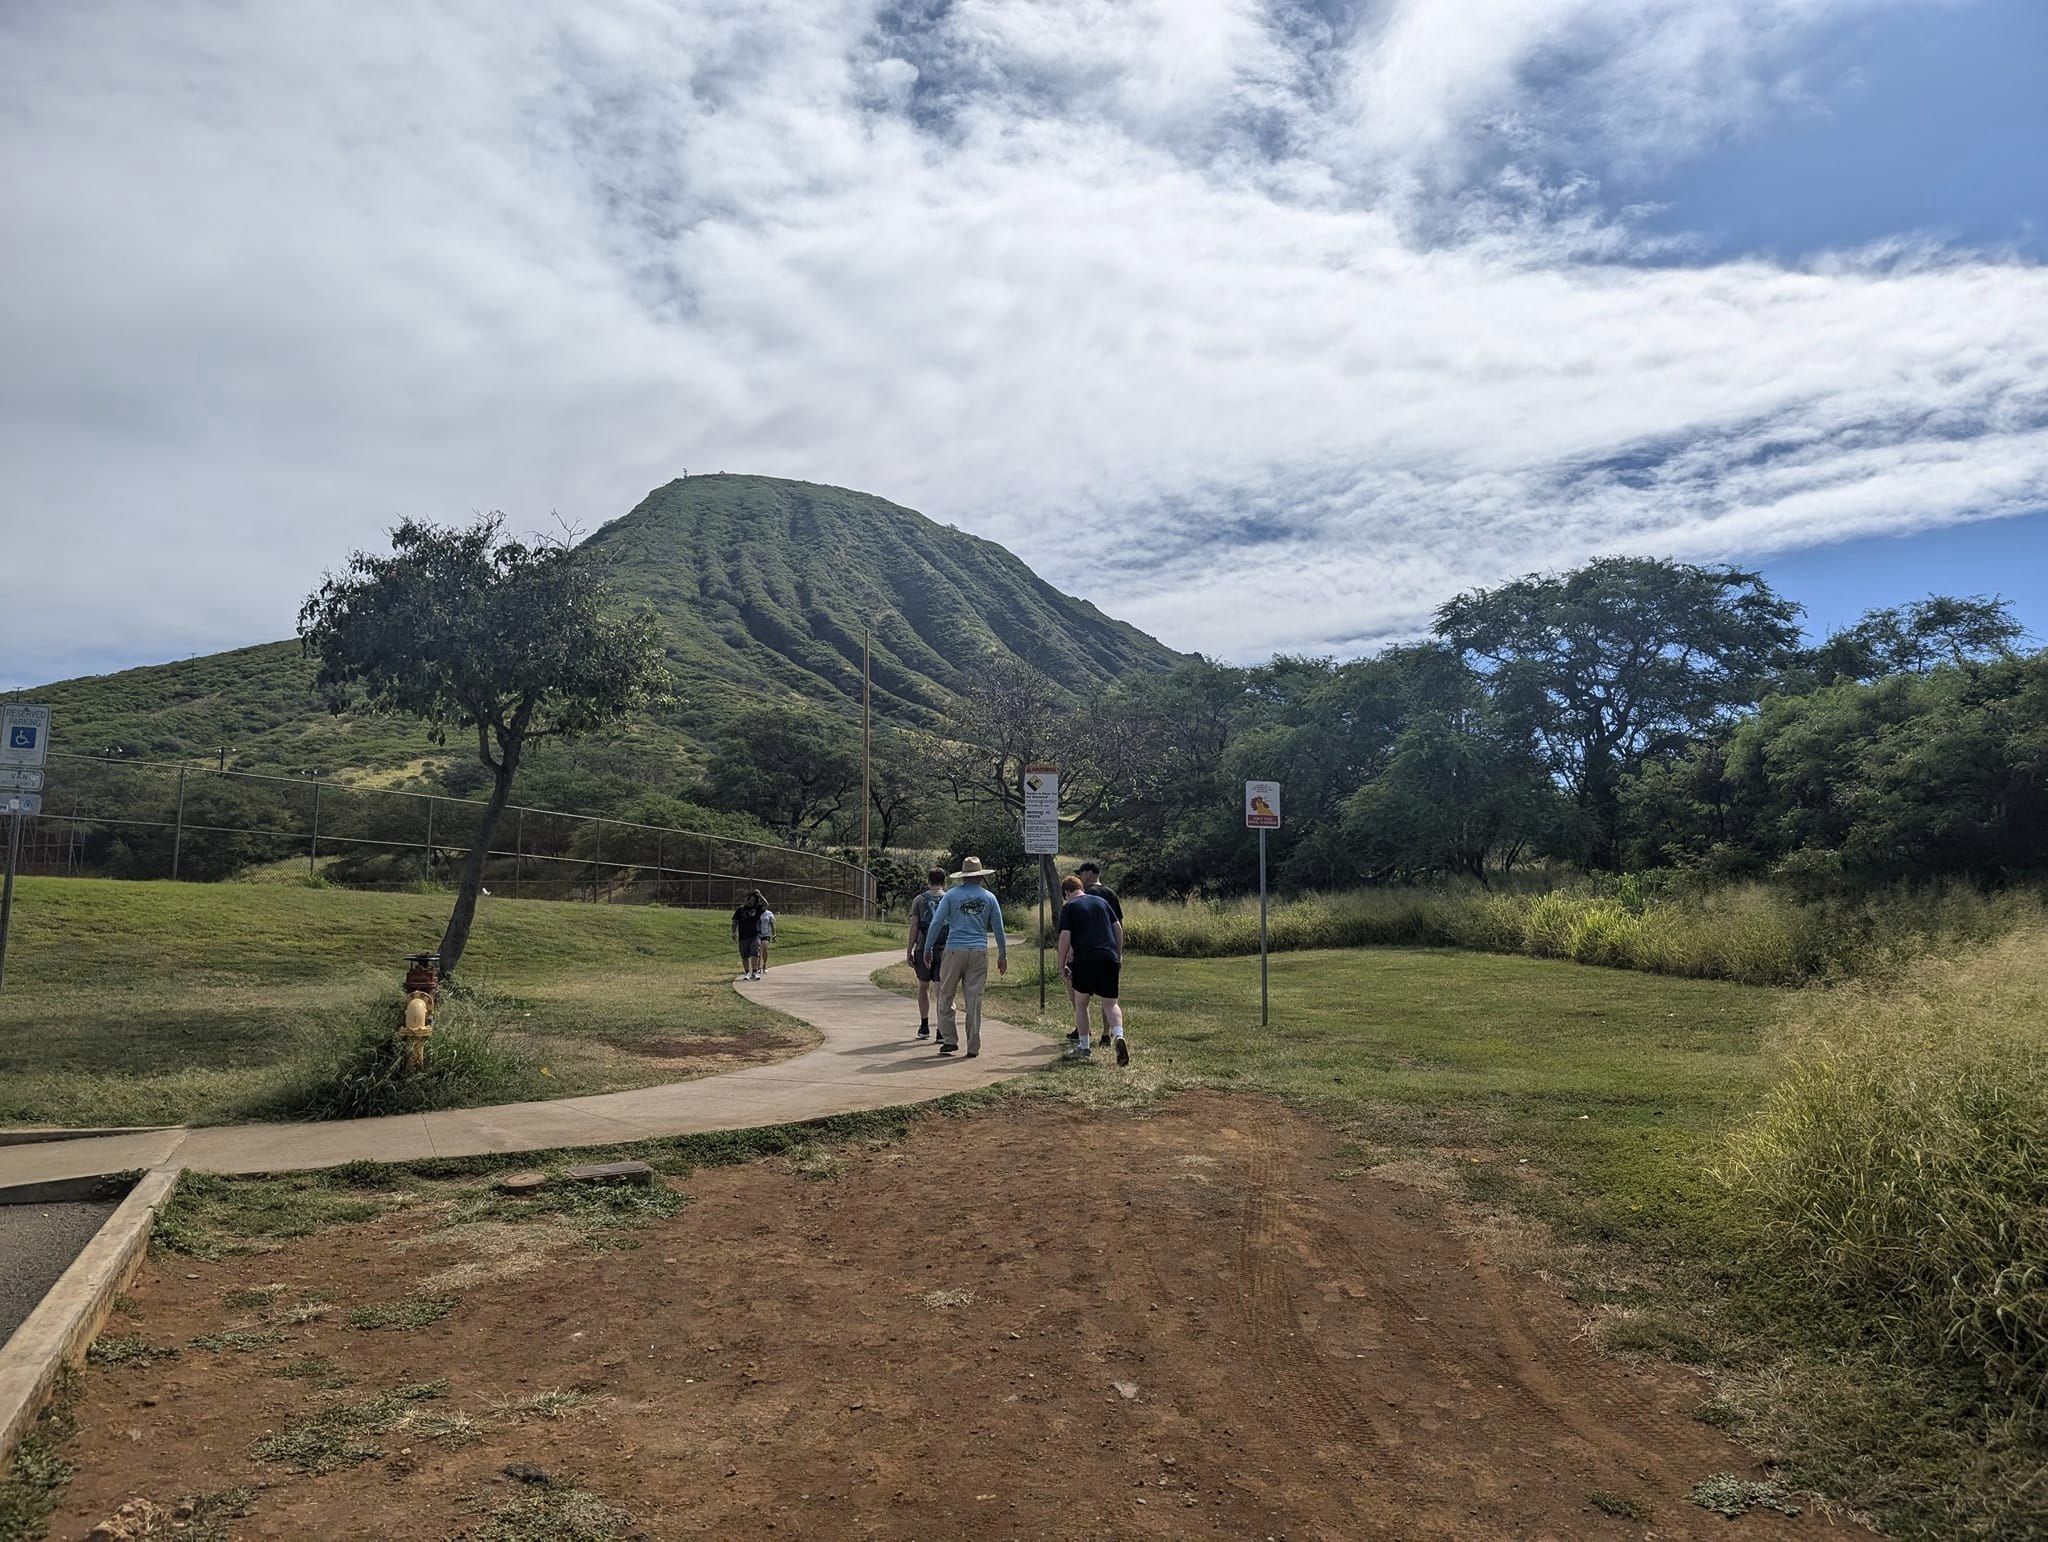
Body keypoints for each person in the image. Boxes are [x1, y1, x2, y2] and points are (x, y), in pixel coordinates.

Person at [920, 856, 1008, 1058]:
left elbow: (936, 923)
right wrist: (1002, 954)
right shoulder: (989, 897)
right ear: (979, 876)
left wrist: (928, 948)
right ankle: (973, 1045)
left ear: (963, 876)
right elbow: (998, 928)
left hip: (954, 949)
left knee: (946, 994)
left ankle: (950, 1040)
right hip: (978, 950)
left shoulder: (951, 896)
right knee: (974, 999)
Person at [1056, 873, 1127, 1064]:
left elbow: (1065, 937)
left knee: (1081, 1003)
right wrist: (1117, 955)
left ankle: (1084, 1047)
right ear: (1082, 888)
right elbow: (1118, 928)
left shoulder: (1069, 907)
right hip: (1108, 957)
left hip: (1085, 958)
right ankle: (1119, 1035)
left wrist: (1061, 964)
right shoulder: (1101, 902)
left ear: (1066, 893)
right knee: (1111, 1003)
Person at [1067, 861, 1124, 1044]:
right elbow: (1118, 925)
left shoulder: (1085, 895)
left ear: (1090, 873)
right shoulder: (1111, 894)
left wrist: (1070, 951)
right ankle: (1107, 1034)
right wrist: (1118, 951)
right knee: (1108, 998)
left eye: (1081, 874)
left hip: (1085, 952)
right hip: (1109, 951)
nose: (1079, 878)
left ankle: (1083, 1031)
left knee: (1081, 997)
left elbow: (1074, 927)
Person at [906, 867, 949, 1038]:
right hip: (944, 948)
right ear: (944, 882)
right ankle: (941, 1029)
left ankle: (924, 1026)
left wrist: (909, 950)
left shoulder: (919, 900)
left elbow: (914, 926)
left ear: (928, 881)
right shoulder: (949, 898)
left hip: (923, 947)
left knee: (923, 986)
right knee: (940, 989)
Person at [730, 892, 764, 980]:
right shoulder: (740, 909)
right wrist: (734, 933)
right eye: (749, 899)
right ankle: (747, 972)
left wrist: (760, 895)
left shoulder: (757, 908)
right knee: (744, 956)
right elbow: (735, 922)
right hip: (743, 936)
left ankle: (754, 973)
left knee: (755, 953)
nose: (750, 902)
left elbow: (767, 905)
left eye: (753, 900)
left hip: (755, 935)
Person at [755, 896, 777, 976]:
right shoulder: (756, 913)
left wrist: (774, 934)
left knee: (764, 947)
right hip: (758, 933)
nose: (763, 907)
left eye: (764, 905)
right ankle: (758, 966)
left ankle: (764, 965)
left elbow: (772, 924)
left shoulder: (769, 913)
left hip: (766, 933)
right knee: (758, 948)